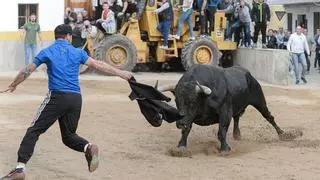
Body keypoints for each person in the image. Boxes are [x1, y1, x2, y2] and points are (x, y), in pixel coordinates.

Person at [1, 24, 133, 179]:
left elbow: (27, 70)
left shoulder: (47, 51)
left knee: (34, 131)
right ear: (69, 36)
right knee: (69, 136)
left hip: (57, 97)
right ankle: (89, 147)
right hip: (76, 98)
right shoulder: (77, 52)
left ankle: (19, 169)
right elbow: (98, 65)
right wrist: (121, 73)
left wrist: (13, 84)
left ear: (56, 36)